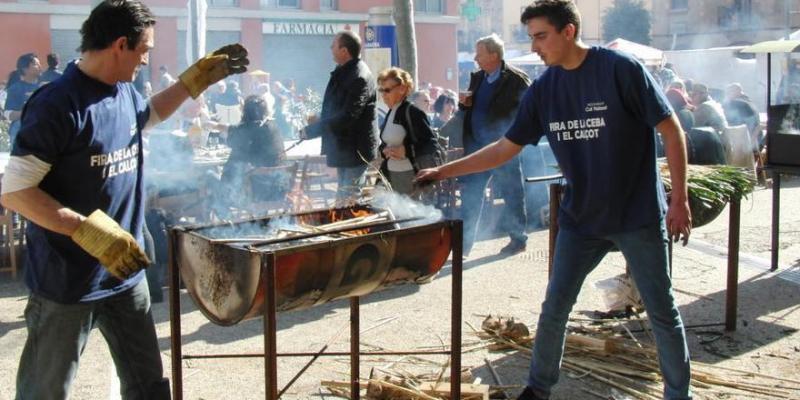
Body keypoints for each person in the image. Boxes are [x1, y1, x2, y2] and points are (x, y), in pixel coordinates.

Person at [416, 1, 693, 399]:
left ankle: (678, 394)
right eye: (531, 38)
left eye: (541, 36)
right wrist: (443, 170)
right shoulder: (544, 89)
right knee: (555, 307)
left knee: (662, 310)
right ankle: (537, 388)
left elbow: (672, 130)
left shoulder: (620, 70)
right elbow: (503, 148)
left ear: (569, 32)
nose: (535, 47)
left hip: (638, 215)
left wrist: (679, 200)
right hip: (581, 219)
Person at [0, 0, 249, 398]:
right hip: (68, 282)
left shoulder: (123, 93)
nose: (146, 60)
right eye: (144, 50)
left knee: (148, 387)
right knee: (44, 392)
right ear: (120, 44)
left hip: (126, 275)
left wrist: (192, 82)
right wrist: (87, 231)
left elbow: (148, 115)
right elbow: (15, 192)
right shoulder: (57, 105)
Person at [460, 33, 530, 256]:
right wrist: (465, 105)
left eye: (479, 53)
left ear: (493, 54)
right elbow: (469, 110)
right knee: (471, 194)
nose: (475, 58)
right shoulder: (478, 78)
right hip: (477, 148)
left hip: (503, 147)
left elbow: (527, 113)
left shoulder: (517, 80)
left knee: (512, 193)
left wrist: (512, 139)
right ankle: (464, 245)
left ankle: (518, 239)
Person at [301, 30, 378, 201]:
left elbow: (348, 116)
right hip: (344, 148)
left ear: (344, 51)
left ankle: (350, 225)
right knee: (344, 194)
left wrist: (313, 130)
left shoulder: (359, 76)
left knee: (349, 196)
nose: (330, 48)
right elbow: (337, 107)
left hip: (355, 149)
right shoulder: (343, 70)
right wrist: (320, 118)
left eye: (333, 45)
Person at [376, 67, 441, 195]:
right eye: (381, 90)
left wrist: (406, 151)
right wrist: (383, 151)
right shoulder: (391, 111)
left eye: (387, 90)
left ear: (402, 88)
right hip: (392, 174)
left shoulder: (413, 112)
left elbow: (431, 144)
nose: (383, 94)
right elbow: (387, 141)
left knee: (410, 213)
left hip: (411, 177)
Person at [4, 53, 42, 144]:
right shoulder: (15, 89)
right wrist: (28, 112)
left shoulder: (45, 86)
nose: (40, 66)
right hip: (21, 131)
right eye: (35, 64)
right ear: (25, 69)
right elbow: (7, 114)